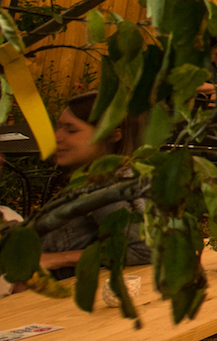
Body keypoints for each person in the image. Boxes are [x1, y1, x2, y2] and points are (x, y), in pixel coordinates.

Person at [30, 96, 151, 280]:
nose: (57, 137)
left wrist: (56, 259)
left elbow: (143, 250)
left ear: (113, 134)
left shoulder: (104, 186)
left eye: (71, 130)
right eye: (59, 127)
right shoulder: (109, 176)